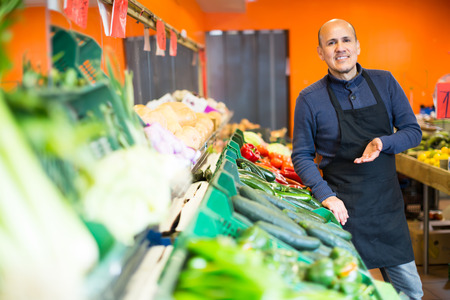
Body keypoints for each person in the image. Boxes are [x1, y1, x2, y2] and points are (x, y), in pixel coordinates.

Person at [291, 19, 423, 299]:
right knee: (351, 293)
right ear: (320, 52)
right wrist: (326, 195)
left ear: (357, 46)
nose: (340, 48)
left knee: (411, 292)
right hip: (343, 211)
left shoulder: (385, 82)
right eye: (331, 42)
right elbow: (301, 155)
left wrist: (383, 142)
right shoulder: (309, 99)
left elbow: (412, 132)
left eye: (346, 40)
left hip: (387, 209)